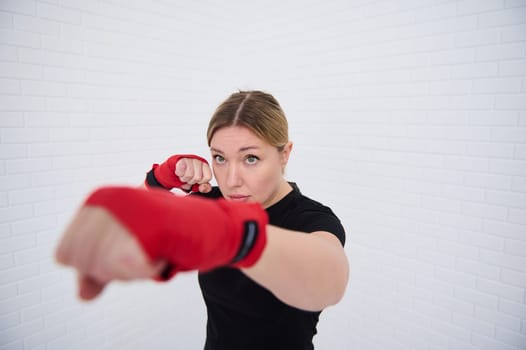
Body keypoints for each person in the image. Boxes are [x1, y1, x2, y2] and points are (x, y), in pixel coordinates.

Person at [55, 90, 349, 350]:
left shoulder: (310, 218)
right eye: (219, 158)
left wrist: (233, 235)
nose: (232, 180)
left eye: (250, 159)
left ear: (284, 154)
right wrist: (160, 179)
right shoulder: (214, 204)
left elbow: (330, 282)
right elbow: (136, 214)